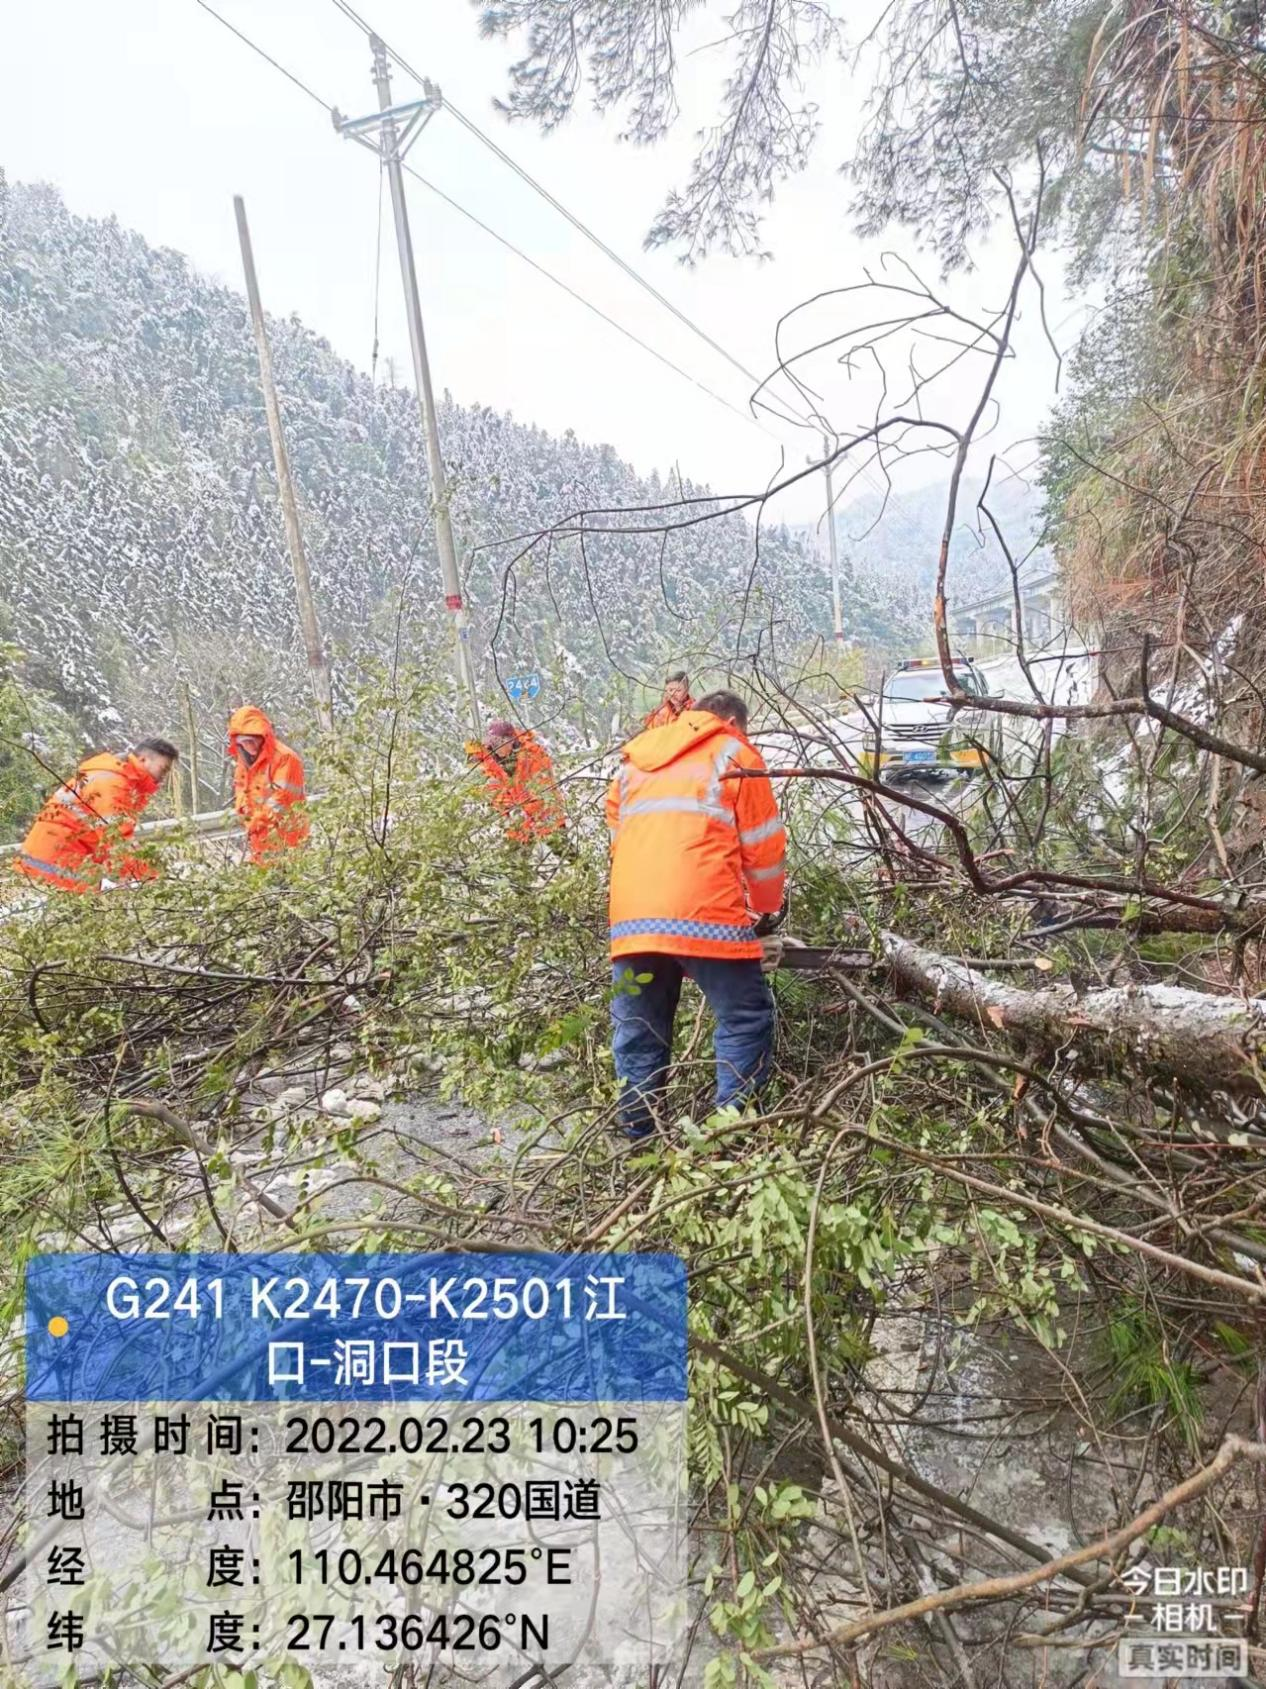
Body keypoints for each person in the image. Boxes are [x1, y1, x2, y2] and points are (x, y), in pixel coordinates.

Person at [606, 689, 785, 1139]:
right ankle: (728, 1133)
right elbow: (763, 849)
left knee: (638, 1028)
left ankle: (639, 1139)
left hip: (632, 920)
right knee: (746, 1017)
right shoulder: (735, 753)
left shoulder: (636, 760)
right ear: (729, 720)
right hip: (703, 912)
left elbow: (622, 833)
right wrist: (764, 915)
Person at [14, 738, 179, 892]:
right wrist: (153, 879)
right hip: (55, 866)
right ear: (143, 760)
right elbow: (116, 842)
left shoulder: (115, 778)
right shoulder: (113, 785)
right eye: (162, 769)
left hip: (50, 861)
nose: (163, 776)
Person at [228, 705, 308, 865]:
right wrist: (244, 812)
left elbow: (282, 801)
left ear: (263, 736)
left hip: (287, 841)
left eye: (251, 740)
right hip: (260, 843)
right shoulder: (243, 762)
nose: (248, 746)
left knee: (287, 887)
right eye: (242, 742)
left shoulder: (285, 758)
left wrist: (257, 820)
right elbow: (241, 790)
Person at [467, 720, 567, 846]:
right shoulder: (487, 762)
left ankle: (580, 866)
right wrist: (511, 808)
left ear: (511, 740)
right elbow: (492, 790)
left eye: (502, 742)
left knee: (562, 848)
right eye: (494, 743)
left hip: (544, 810)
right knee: (516, 860)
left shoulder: (532, 753)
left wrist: (527, 806)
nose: (498, 747)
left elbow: (543, 785)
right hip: (516, 818)